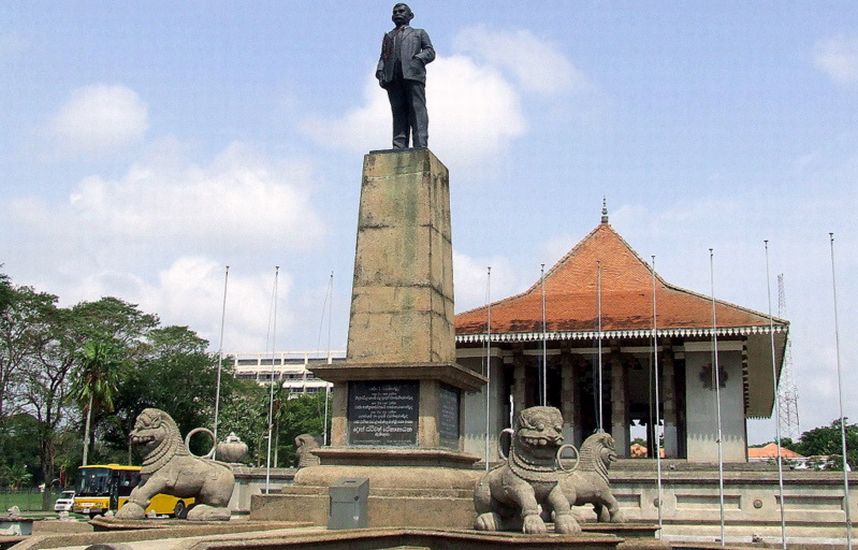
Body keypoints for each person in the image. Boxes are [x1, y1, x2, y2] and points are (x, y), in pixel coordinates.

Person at [376, 3, 435, 149]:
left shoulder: (419, 33)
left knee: (417, 109)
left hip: (413, 75)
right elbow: (383, 56)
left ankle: (420, 144)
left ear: (410, 16)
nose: (397, 13)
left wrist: (418, 60)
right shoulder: (389, 36)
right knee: (398, 109)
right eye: (395, 12)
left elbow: (430, 52)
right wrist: (380, 71)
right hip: (393, 77)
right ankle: (399, 144)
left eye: (401, 11)